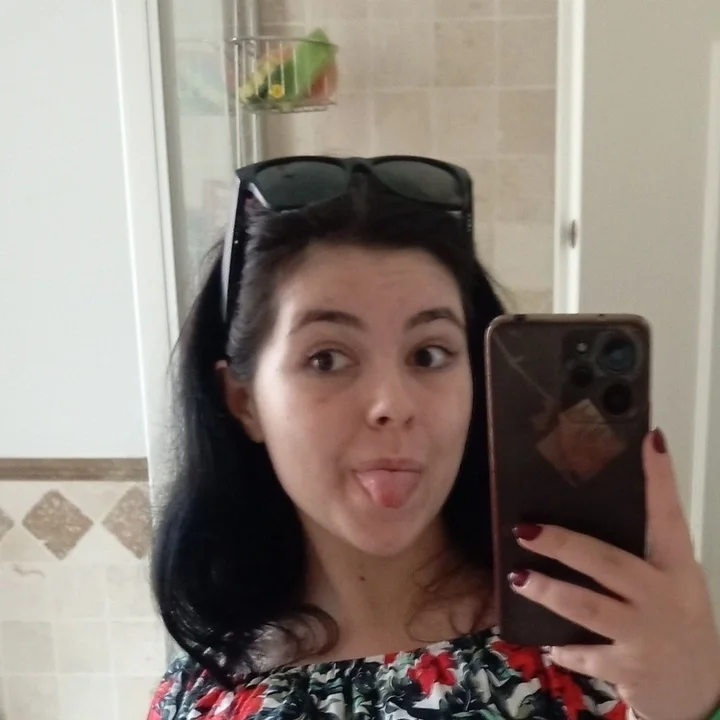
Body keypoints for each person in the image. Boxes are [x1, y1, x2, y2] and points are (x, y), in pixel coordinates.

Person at [147, 156, 720, 720]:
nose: (393, 405)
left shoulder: (609, 649)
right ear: (244, 401)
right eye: (327, 359)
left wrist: (694, 704)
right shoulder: (201, 702)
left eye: (429, 354)